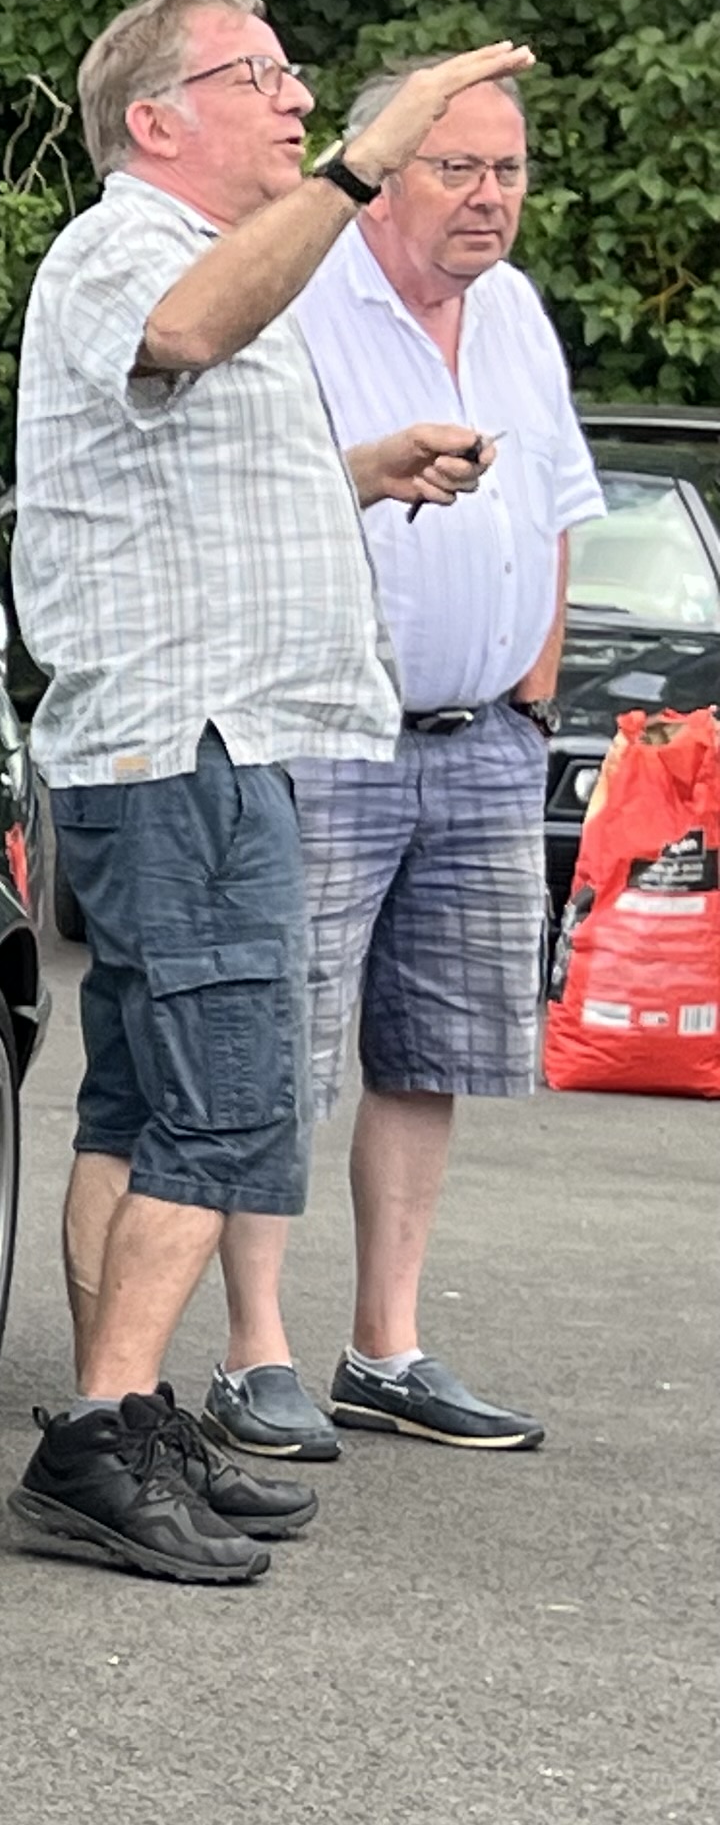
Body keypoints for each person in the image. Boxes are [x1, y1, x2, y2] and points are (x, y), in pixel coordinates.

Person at [5, 0, 528, 1587]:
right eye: (265, 75)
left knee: (141, 1098)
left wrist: (365, 473)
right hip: (189, 744)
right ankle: (101, 1445)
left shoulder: (200, 257)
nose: (300, 100)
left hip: (198, 744)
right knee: (228, 1104)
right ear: (156, 118)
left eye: (302, 80)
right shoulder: (127, 248)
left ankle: (117, 1419)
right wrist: (371, 161)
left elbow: (182, 464)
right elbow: (182, 335)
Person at [198, 70, 596, 1464]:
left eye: (510, 170)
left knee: (431, 1057)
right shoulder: (301, 298)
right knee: (278, 1053)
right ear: (382, 175)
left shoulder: (518, 311)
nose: (491, 196)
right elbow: (238, 505)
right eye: (457, 168)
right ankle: (255, 1353)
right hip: (326, 734)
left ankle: (388, 1348)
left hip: (482, 742)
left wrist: (533, 702)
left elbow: (557, 511)